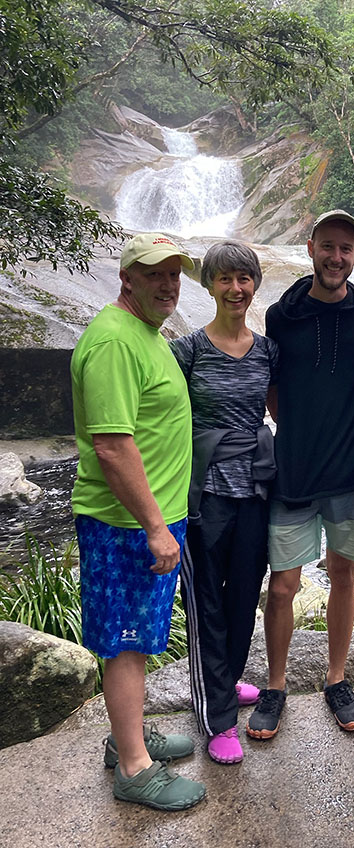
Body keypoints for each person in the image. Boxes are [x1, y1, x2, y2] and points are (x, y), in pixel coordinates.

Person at [71, 232, 206, 811]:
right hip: (125, 523)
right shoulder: (113, 342)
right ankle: (134, 768)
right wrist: (154, 524)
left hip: (149, 519)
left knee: (137, 636)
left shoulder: (143, 334)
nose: (168, 283)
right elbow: (112, 445)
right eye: (154, 274)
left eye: (174, 274)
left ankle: (126, 736)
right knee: (125, 641)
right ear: (127, 277)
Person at [246, 209, 354, 740]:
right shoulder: (282, 317)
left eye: (346, 249)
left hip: (351, 474)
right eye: (328, 246)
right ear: (310, 247)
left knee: (343, 575)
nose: (336, 257)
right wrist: (301, 430)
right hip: (295, 471)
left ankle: (336, 679)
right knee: (282, 585)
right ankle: (276, 686)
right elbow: (273, 389)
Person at [171, 241, 278, 765]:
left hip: (255, 491)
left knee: (243, 600)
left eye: (244, 279)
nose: (236, 289)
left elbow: (282, 412)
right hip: (203, 495)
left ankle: (226, 682)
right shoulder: (188, 350)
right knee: (206, 605)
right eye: (225, 279)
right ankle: (217, 719)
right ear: (208, 284)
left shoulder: (266, 350)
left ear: (255, 284)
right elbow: (165, 420)